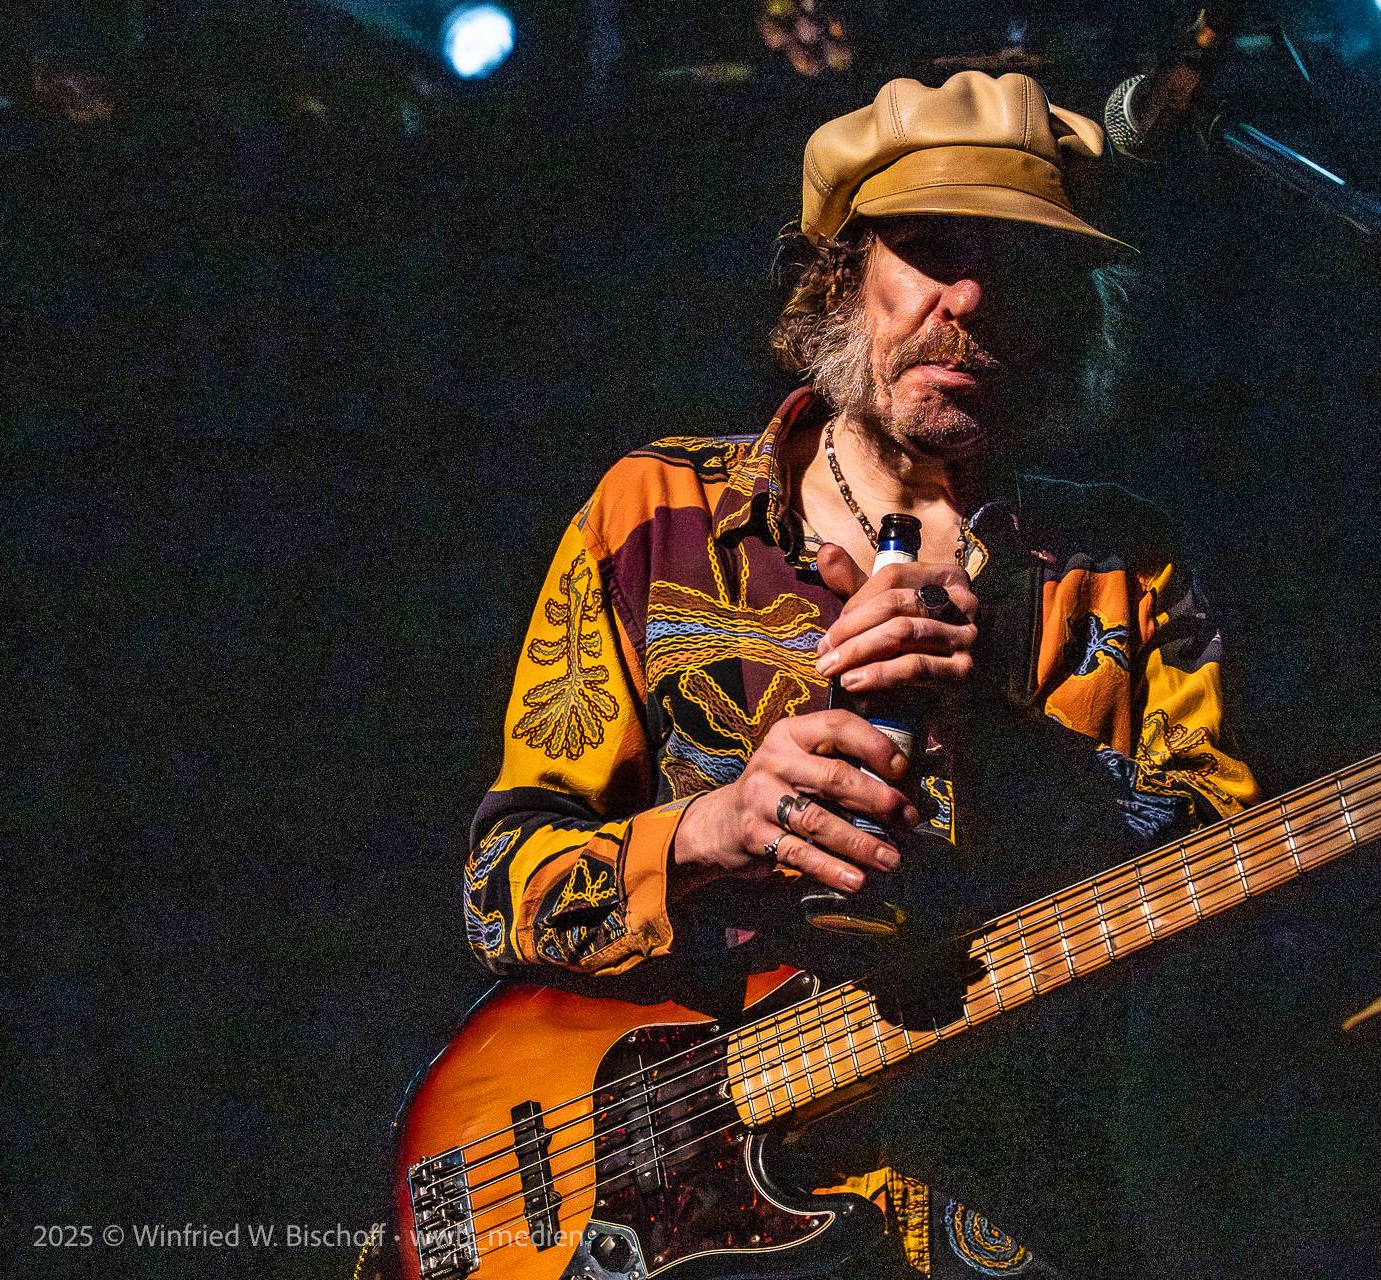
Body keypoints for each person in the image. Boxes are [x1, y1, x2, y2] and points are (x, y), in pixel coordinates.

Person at [464, 70, 1259, 1277]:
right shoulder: (655, 514)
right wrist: (718, 826)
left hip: (1019, 1213)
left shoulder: (1126, 565)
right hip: (681, 1215)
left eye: (1017, 265)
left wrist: (992, 732)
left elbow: (1234, 908)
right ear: (843, 277)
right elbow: (499, 887)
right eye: (931, 249)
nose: (970, 297)